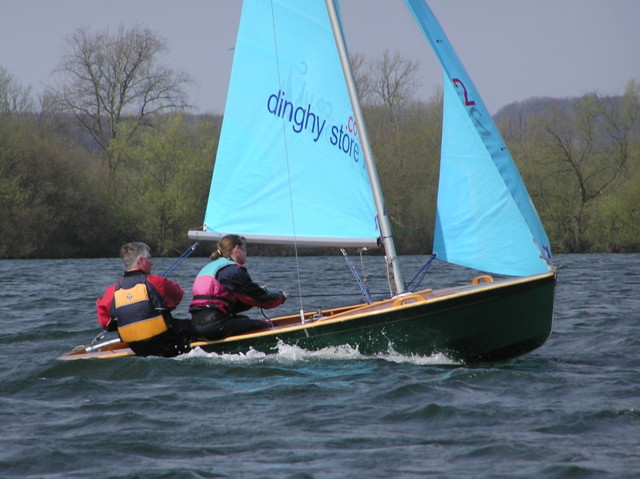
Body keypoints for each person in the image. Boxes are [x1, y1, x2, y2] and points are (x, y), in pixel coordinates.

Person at [96, 242, 192, 357]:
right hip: (165, 343)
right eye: (149, 259)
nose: (151, 263)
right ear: (141, 261)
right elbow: (178, 295)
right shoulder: (156, 282)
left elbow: (105, 323)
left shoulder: (111, 292)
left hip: (137, 347)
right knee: (193, 325)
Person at [189, 234, 288, 340]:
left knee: (243, 319)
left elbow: (231, 302)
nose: (246, 253)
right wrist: (281, 297)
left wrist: (257, 292)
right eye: (244, 249)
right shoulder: (232, 270)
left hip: (197, 327)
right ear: (237, 249)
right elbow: (261, 299)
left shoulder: (210, 267)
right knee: (266, 326)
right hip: (215, 326)